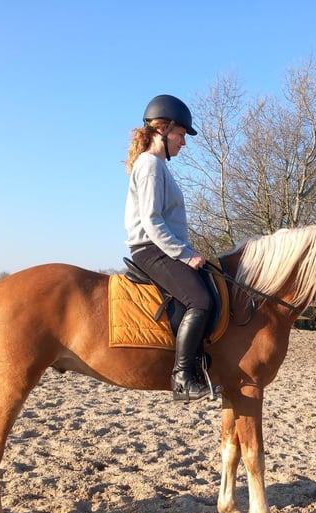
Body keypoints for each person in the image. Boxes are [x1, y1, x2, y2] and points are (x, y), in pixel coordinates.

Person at [124, 94, 211, 402]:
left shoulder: (158, 166)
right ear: (164, 128)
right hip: (151, 248)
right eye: (181, 134)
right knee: (199, 300)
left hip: (162, 247)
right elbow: (151, 220)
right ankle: (183, 378)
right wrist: (185, 254)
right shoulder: (149, 164)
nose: (183, 143)